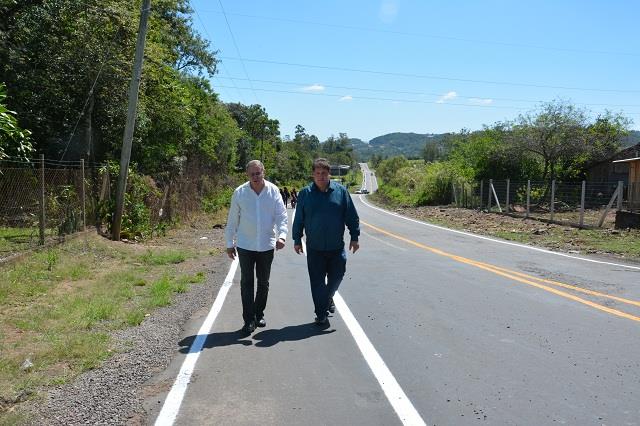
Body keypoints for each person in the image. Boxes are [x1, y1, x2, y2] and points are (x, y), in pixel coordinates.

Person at [292, 158, 360, 325]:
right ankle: (321, 314)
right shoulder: (305, 194)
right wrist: (297, 239)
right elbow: (299, 218)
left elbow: (351, 215)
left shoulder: (341, 192)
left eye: (324, 173)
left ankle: (328, 297)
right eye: (317, 173)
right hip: (314, 248)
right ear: (313, 175)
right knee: (317, 282)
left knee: (337, 276)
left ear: (329, 174)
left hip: (336, 247)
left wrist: (354, 236)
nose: (321, 176)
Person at [225, 160, 288, 335]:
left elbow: (281, 216)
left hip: (267, 245)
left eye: (258, 173)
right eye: (252, 174)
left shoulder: (273, 191)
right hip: (245, 245)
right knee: (246, 283)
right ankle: (248, 320)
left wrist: (282, 236)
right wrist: (229, 244)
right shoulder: (240, 193)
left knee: (263, 282)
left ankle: (259, 314)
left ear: (263, 172)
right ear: (247, 175)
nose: (255, 177)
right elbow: (232, 221)